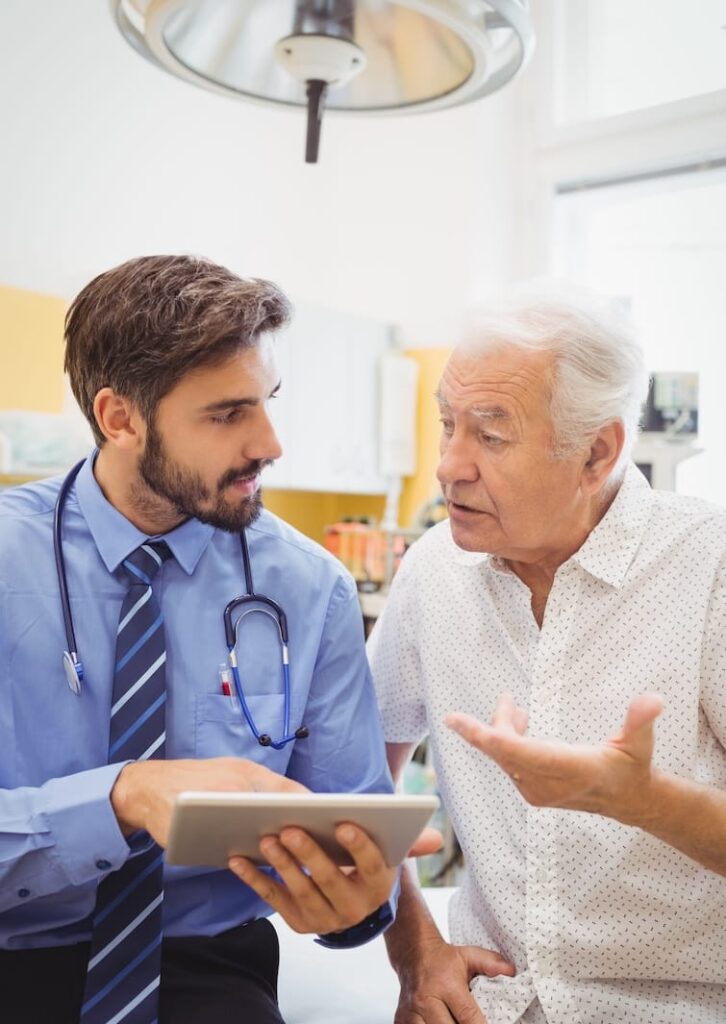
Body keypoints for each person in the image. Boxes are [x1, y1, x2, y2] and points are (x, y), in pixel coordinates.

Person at [0, 254, 436, 1024]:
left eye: (267, 402)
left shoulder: (310, 589)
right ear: (120, 417)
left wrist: (357, 903)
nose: (270, 443)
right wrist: (120, 797)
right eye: (228, 413)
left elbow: (350, 829)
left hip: (206, 967)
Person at [368, 286, 726, 1024]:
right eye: (447, 426)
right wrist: (416, 951)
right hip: (483, 1004)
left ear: (597, 451)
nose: (449, 467)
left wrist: (645, 803)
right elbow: (361, 776)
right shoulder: (433, 570)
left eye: (491, 437)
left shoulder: (709, 565)